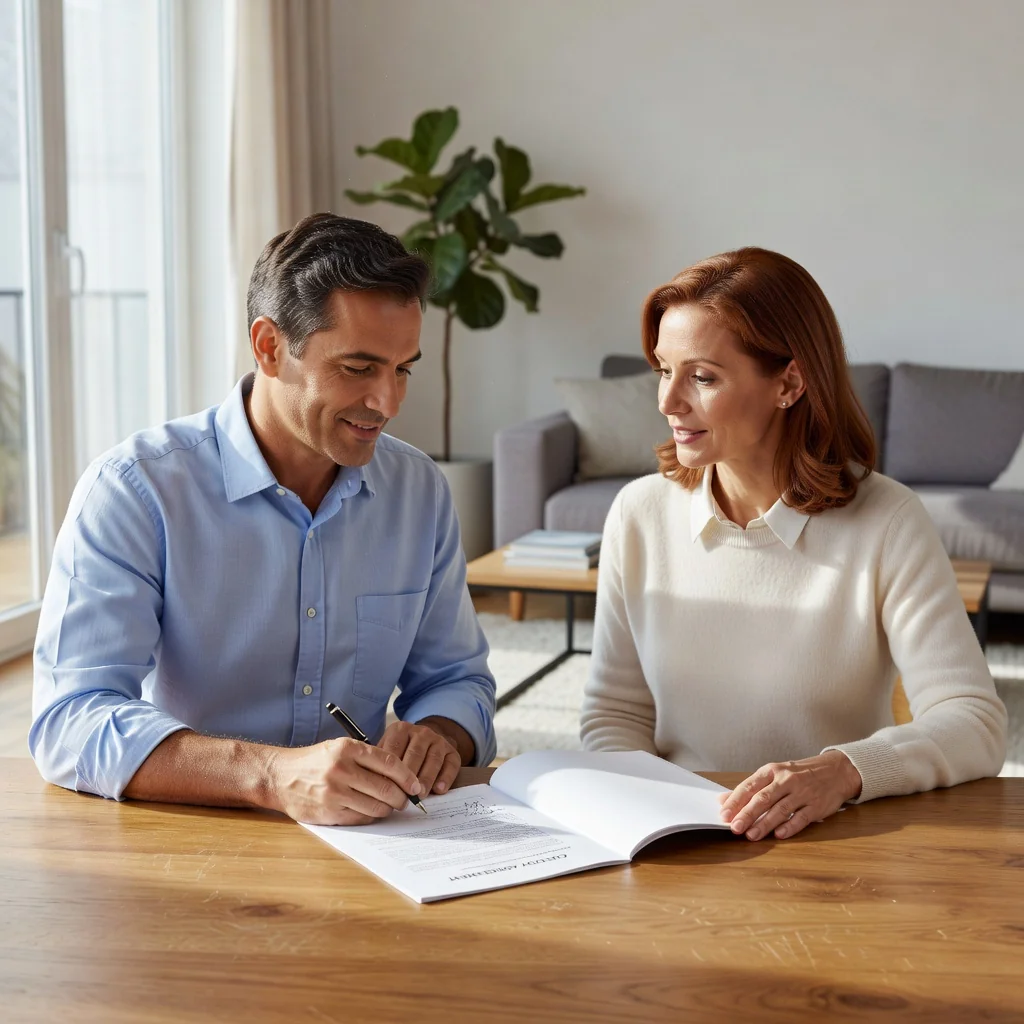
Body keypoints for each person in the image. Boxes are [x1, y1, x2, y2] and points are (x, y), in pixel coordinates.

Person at [30, 213, 496, 825]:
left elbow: (457, 678)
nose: (389, 402)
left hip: (376, 845)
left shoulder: (418, 491)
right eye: (359, 369)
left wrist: (440, 732)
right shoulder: (134, 492)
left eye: (402, 368)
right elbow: (70, 719)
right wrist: (271, 776)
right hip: (187, 840)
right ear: (270, 347)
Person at [580, 247, 1007, 841]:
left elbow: (975, 722)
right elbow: (615, 714)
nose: (668, 401)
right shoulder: (639, 512)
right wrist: (651, 816)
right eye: (662, 369)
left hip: (834, 845)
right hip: (678, 841)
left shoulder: (887, 520)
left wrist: (844, 770)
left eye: (702, 376)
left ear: (789, 383)